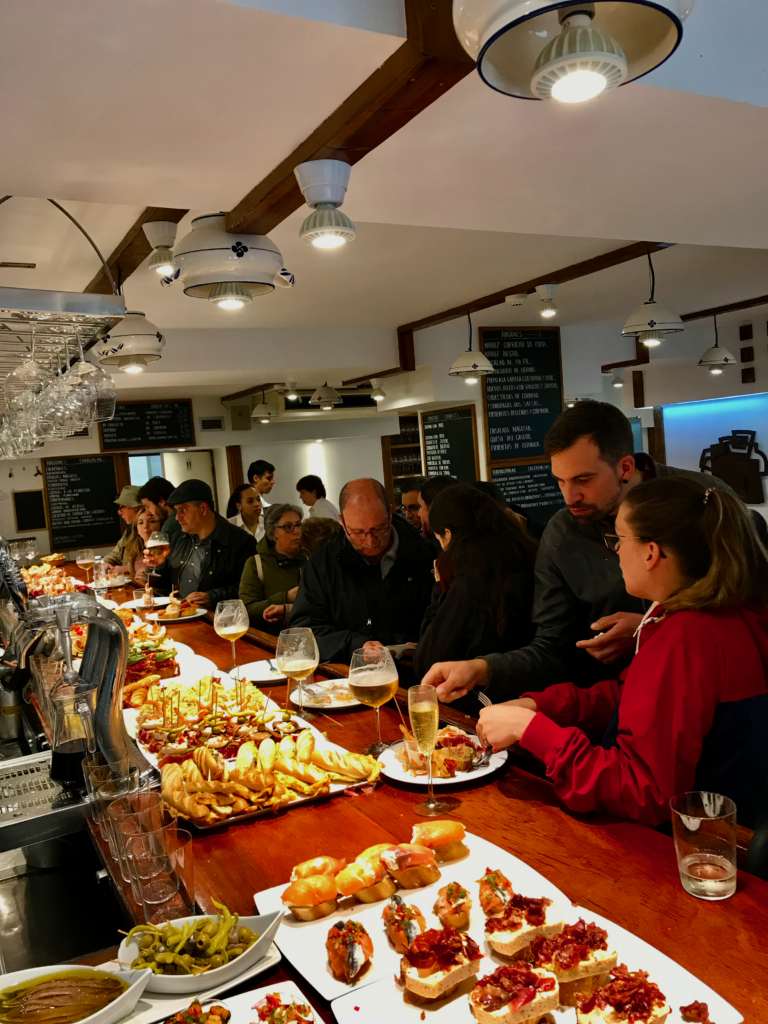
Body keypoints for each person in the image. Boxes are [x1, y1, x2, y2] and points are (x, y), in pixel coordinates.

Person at [473, 478, 768, 827]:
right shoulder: (724, 611)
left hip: (697, 844)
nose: (613, 551)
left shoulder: (686, 638)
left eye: (618, 539)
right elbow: (637, 703)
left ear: (651, 552)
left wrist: (535, 731)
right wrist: (543, 706)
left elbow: (646, 792)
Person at [425, 400, 741, 703]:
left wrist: (652, 628)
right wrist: (483, 669)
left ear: (626, 467)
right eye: (560, 481)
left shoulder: (705, 500)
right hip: (614, 705)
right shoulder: (562, 534)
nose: (569, 496)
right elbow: (552, 648)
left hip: (725, 697)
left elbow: (754, 606)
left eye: (583, 479)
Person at [413, 485, 537, 714]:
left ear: (448, 535)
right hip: (533, 694)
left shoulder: (471, 581)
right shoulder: (527, 552)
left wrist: (439, 589)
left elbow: (427, 663)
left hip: (487, 711)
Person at [291, 478, 434, 664]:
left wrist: (427, 644)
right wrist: (356, 646)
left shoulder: (425, 555)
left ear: (390, 515)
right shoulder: (323, 564)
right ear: (342, 522)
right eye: (358, 532)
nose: (370, 541)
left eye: (378, 529)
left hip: (416, 676)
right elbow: (304, 631)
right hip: (349, 678)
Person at [144, 479, 256, 608]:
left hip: (215, 619)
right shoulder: (178, 538)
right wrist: (157, 566)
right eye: (176, 511)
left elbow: (249, 590)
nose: (177, 517)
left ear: (203, 508)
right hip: (179, 613)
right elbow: (159, 586)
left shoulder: (241, 542)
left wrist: (212, 597)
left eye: (183, 510)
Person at [239, 504, 306, 633]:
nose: (296, 531)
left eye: (298, 525)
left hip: (312, 636)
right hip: (273, 639)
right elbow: (246, 610)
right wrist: (285, 597)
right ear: (273, 533)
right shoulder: (256, 564)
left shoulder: (312, 557)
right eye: (288, 527)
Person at [110, 507, 161, 585]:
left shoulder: (164, 550)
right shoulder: (134, 549)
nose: (145, 526)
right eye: (141, 523)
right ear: (136, 529)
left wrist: (147, 578)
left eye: (152, 521)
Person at [104, 485, 142, 565]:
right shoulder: (130, 530)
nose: (119, 512)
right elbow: (116, 553)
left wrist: (126, 569)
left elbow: (147, 566)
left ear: (135, 507)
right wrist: (106, 562)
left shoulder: (150, 529)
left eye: (122, 507)